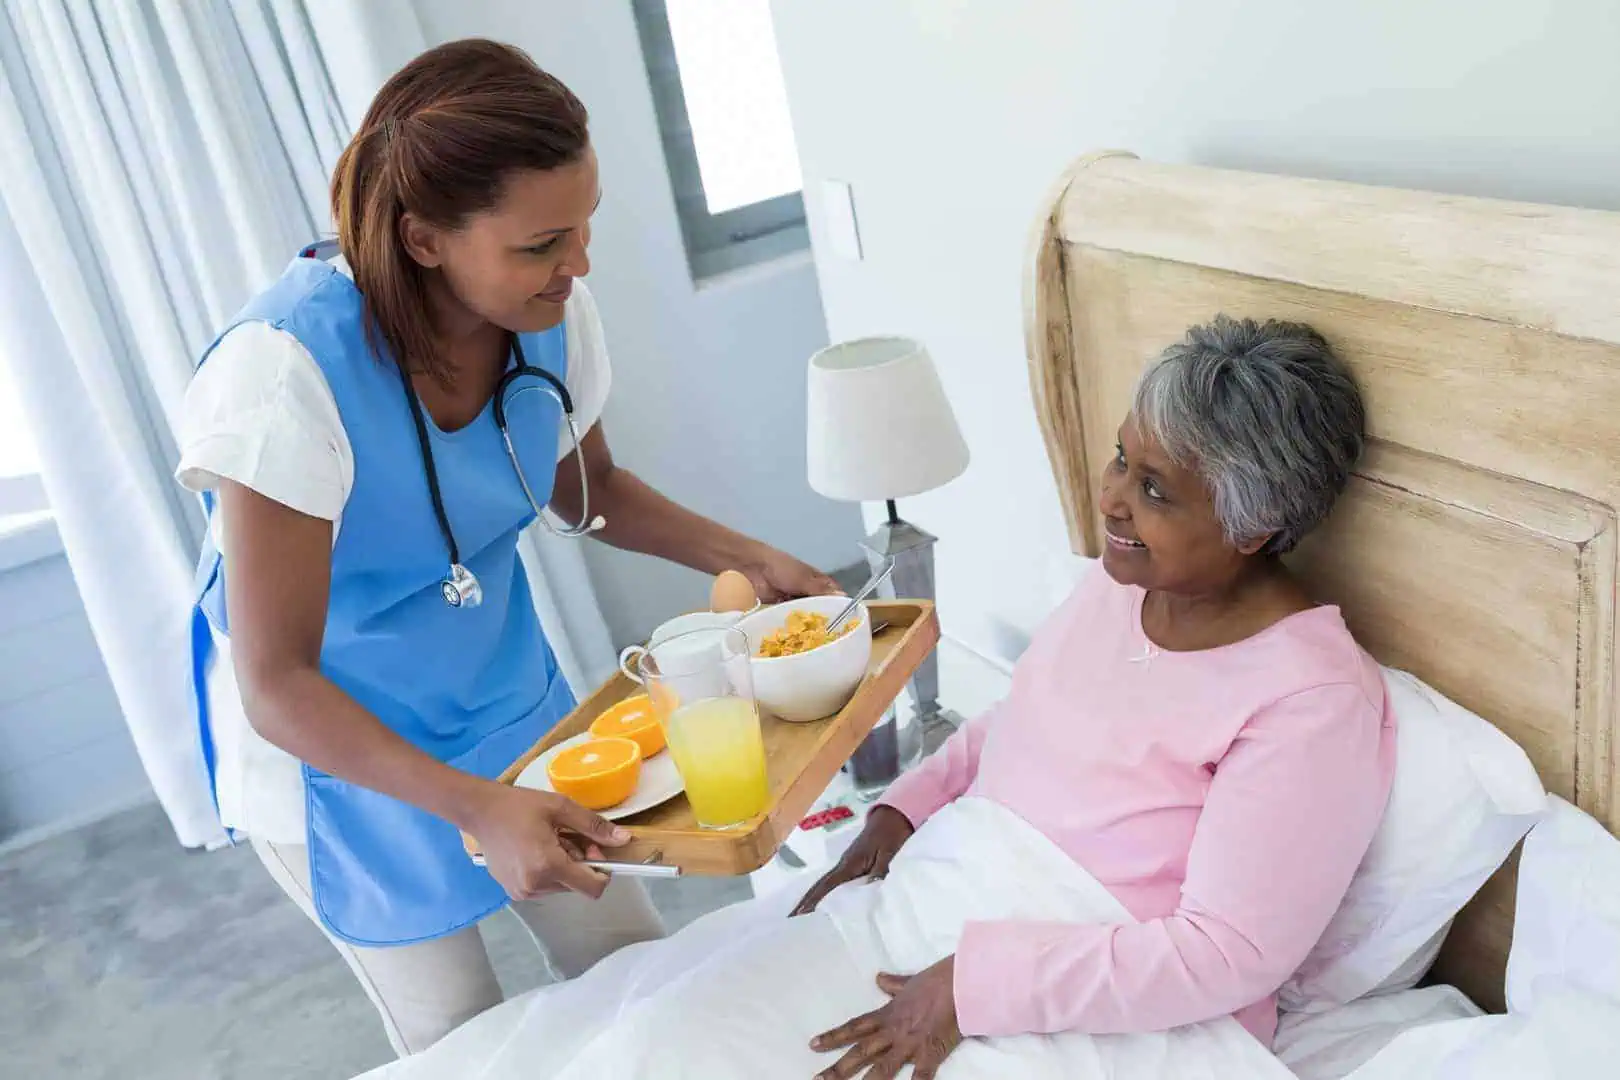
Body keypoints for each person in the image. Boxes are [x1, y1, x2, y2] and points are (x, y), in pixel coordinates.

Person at [175, 39, 838, 1057]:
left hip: (497, 697)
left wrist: (745, 554)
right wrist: (476, 810)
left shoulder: (550, 309)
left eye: (584, 229)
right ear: (427, 240)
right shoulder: (282, 383)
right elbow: (276, 681)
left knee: (635, 974)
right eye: (541, 245)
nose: (577, 265)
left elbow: (586, 485)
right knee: (465, 1038)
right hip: (333, 751)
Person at [789, 315, 1397, 1078]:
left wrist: (971, 987)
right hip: (946, 903)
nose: (1111, 499)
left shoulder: (1313, 699)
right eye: (1122, 458)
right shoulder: (1121, 585)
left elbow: (1225, 955)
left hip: (1120, 1011)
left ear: (1255, 525)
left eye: (1154, 490)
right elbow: (1026, 720)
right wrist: (902, 809)